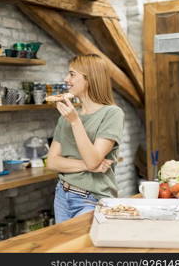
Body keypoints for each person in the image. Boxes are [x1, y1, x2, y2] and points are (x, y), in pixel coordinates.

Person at [46, 54, 124, 224]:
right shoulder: (64, 117)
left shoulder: (112, 114)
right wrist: (87, 166)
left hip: (90, 199)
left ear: (90, 78)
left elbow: (92, 160)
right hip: (62, 195)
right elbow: (51, 162)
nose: (66, 79)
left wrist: (75, 121)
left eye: (72, 74)